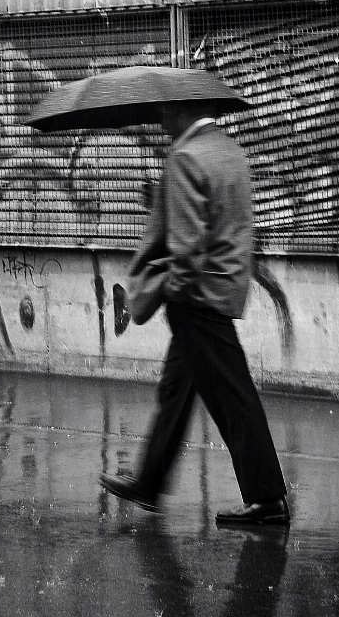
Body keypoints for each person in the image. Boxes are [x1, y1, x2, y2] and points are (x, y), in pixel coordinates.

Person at [99, 99, 289, 525]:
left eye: (166, 114)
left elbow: (187, 246)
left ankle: (268, 500)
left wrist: (172, 289)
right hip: (224, 285)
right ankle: (149, 481)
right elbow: (215, 217)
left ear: (183, 112)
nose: (162, 122)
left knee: (234, 400)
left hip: (197, 297)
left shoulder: (184, 159)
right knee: (176, 392)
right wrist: (163, 200)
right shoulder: (227, 149)